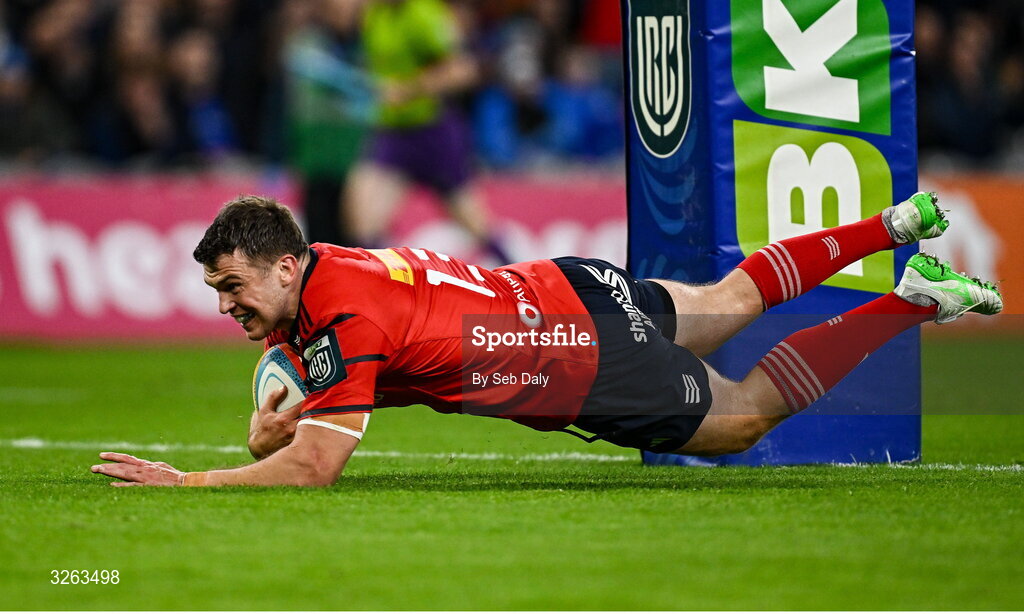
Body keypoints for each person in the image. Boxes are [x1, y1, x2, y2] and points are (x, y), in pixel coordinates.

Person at [90, 192, 1002, 486]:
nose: (224, 306)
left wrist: (195, 480)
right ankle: (892, 225)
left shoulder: (344, 320)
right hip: (566, 284)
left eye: (232, 287)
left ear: (284, 269)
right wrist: (272, 401)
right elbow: (289, 372)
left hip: (572, 360)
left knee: (738, 420)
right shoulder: (327, 266)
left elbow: (311, 467)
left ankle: (915, 300)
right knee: (727, 297)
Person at [343, 0, 510, 264]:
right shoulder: (373, 16)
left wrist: (408, 90)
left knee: (473, 222)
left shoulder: (425, 14)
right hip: (393, 134)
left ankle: (520, 277)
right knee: (361, 215)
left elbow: (461, 70)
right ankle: (382, 289)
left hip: (434, 133)